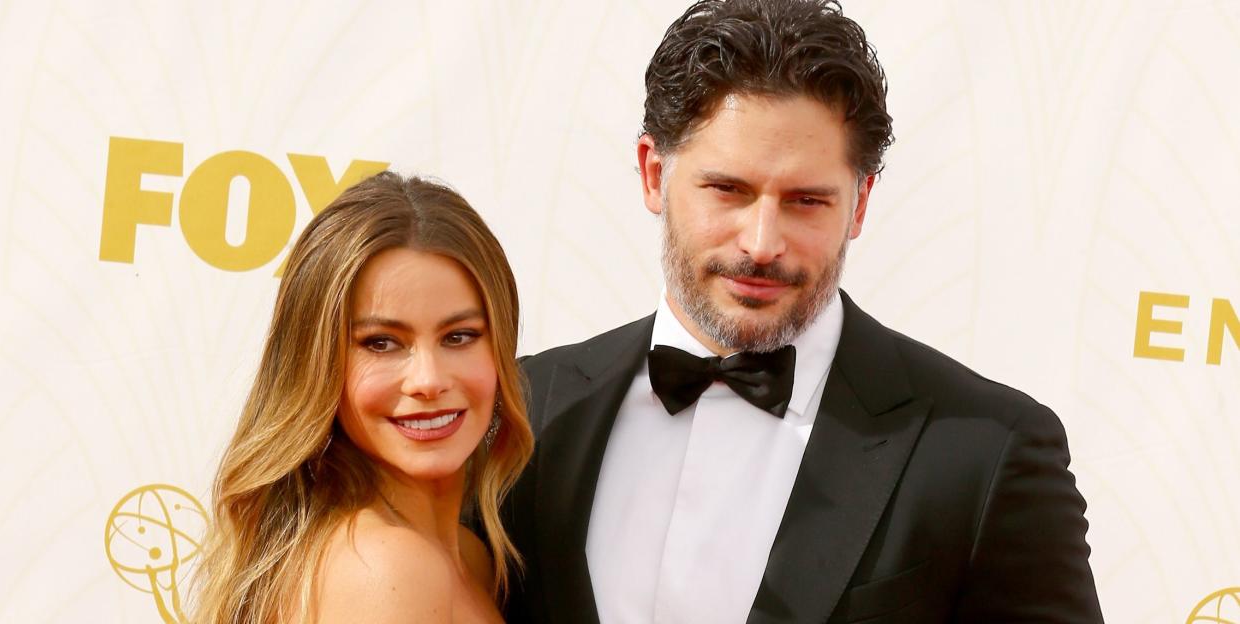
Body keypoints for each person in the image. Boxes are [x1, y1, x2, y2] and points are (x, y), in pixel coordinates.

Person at [503, 1, 1104, 622]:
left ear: (860, 203)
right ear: (654, 174)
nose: (762, 243)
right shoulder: (521, 411)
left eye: (807, 201)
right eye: (727, 190)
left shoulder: (985, 452)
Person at [193, 172, 533, 623]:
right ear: (316, 364)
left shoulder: (469, 557)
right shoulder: (386, 565)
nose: (427, 380)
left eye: (459, 336)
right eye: (381, 343)